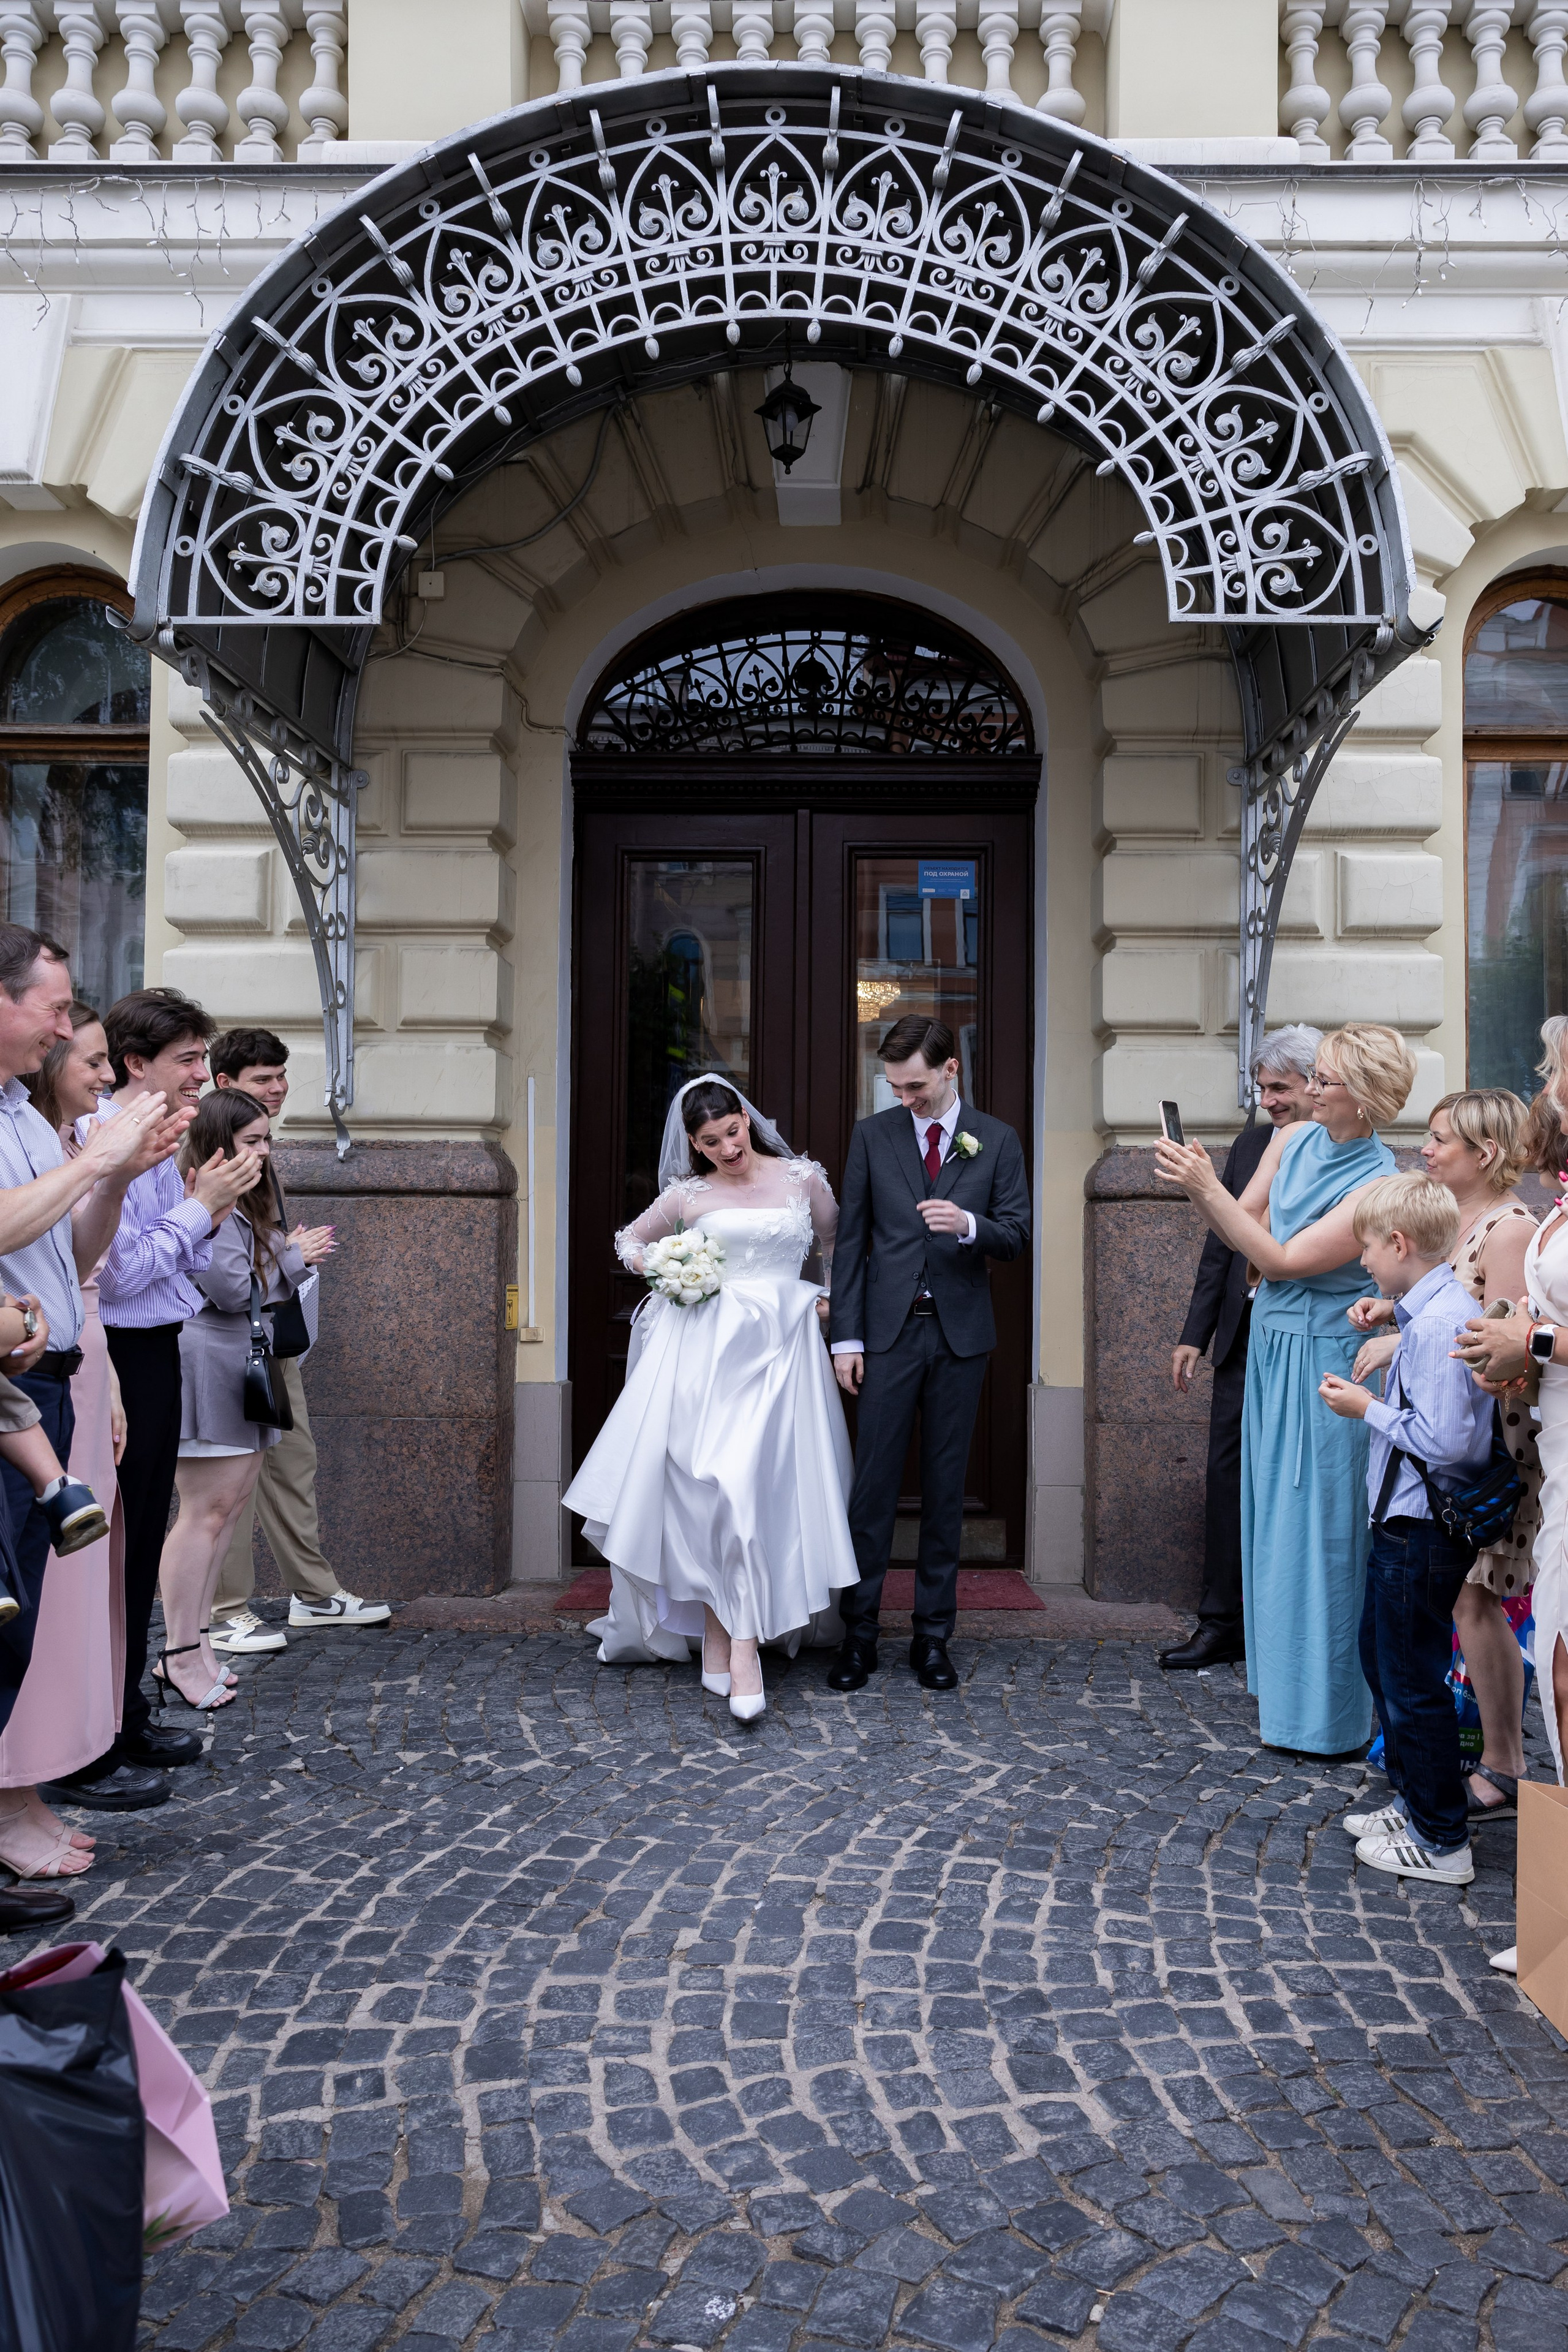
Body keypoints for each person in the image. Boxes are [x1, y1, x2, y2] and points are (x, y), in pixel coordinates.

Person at [1155, 1023, 1415, 1755]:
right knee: (1270, 1521)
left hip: (1327, 1361)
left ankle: (1328, 1718)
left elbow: (1280, 1254)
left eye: (1324, 1081)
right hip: (1270, 1348)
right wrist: (1208, 1191)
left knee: (1322, 1530)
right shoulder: (1291, 1141)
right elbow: (1244, 1234)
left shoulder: (1377, 1183)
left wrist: (1212, 1191)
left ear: (1361, 1099)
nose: (1309, 1092)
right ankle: (1284, 1695)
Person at [564, 1077, 857, 1722]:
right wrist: (668, 1269)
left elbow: (833, 1244)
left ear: (746, 1118)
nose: (726, 1147)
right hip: (706, 1353)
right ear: (693, 1145)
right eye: (709, 1141)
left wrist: (829, 1300)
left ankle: (734, 1642)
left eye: (731, 1131)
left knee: (756, 1492)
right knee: (712, 1489)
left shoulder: (803, 1178)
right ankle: (733, 1635)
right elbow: (628, 1241)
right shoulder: (689, 1195)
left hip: (784, 1353)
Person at [48, 989, 257, 1804]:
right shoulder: (114, 1142)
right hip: (120, 1352)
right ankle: (98, 1727)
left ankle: (122, 1711)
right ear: (140, 1066)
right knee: (111, 1548)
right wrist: (202, 1208)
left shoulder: (165, 1139)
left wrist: (206, 1210)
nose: (203, 1074)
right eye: (188, 1059)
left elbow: (171, 1263)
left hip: (152, 1347)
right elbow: (124, 1269)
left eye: (204, 1059)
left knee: (131, 1547)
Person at [826, 1014, 1031, 1695]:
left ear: (951, 1070)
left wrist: (969, 1225)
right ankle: (857, 1635)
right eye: (894, 1088)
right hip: (883, 1339)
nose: (904, 1100)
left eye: (914, 1086)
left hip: (959, 1338)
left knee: (945, 1493)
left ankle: (932, 1637)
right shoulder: (871, 1136)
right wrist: (846, 1339)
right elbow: (849, 1245)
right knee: (872, 1492)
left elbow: (1016, 1234)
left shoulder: (996, 1140)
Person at [1348, 1088, 1539, 1821]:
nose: (1425, 1149)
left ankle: (1501, 1763)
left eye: (1439, 1140)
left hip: (1488, 1437)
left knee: (1475, 1595)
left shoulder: (1509, 1226)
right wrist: (1396, 1313)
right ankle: (1444, 1766)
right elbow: (1442, 1315)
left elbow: (1498, 1341)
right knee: (1457, 1601)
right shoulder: (1448, 1222)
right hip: (1450, 1423)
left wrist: (1407, 1341)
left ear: (1484, 1153)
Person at [0, 1005, 142, 1886]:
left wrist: (117, 1183)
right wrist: (99, 1162)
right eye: (54, 1011)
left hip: (42, 1374)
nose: (62, 1032)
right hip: (21, 1376)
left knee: (19, 1625)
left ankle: (17, 1801)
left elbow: (66, 1261)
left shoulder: (23, 1116)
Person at [1321, 1173, 1494, 1885]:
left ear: (1398, 1243)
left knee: (1408, 1678)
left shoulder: (1440, 1324)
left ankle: (1441, 1839)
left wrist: (1367, 1409)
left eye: (1367, 1247)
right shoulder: (1424, 1314)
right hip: (1403, 1522)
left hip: (1420, 1526)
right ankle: (1419, 1801)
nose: (1362, 1260)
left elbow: (1451, 1444)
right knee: (1383, 1660)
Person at [206, 1028, 388, 1651]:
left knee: (292, 1461)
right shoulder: (206, 1158)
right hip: (223, 1346)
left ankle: (313, 1595)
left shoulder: (257, 1154)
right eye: (263, 1080)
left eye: (281, 1076)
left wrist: (284, 1257)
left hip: (269, 1339)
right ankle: (224, 1610)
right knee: (226, 1481)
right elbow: (220, 1276)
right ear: (225, 1085)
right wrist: (290, 1253)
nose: (278, 1088)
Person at [159, 1090, 330, 1711]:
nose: (264, 1151)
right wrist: (291, 1256)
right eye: (252, 1141)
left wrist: (279, 1255)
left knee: (225, 1514)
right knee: (205, 1516)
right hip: (211, 1362)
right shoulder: (207, 1200)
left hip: (239, 1362)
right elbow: (231, 1289)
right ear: (219, 1144)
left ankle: (197, 1646)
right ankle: (180, 1652)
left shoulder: (236, 1203)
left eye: (267, 1140)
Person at [1163, 1025, 1321, 1670]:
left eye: (1280, 1088)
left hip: (1306, 1336)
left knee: (1291, 1485)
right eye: (1261, 1088)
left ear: (1318, 1083)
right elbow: (1218, 1247)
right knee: (1225, 1476)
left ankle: (1281, 1625)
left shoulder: (1345, 1151)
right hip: (1239, 1335)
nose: (1269, 1100)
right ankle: (1219, 1622)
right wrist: (1192, 1334)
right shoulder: (1253, 1142)